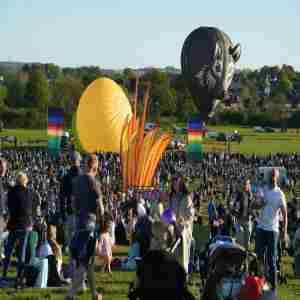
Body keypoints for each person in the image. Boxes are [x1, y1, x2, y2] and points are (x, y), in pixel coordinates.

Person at [66, 154, 103, 300]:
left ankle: (94, 294)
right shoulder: (93, 181)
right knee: (85, 262)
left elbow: (73, 204)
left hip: (79, 223)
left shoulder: (77, 181)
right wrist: (101, 221)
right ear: (94, 165)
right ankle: (70, 294)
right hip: (91, 224)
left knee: (89, 262)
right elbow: (100, 206)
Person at [252, 168, 288, 290]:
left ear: (277, 178)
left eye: (274, 175)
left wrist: (284, 231)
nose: (272, 177)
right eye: (270, 175)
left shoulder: (280, 194)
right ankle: (260, 283)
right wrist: (260, 204)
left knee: (272, 259)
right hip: (261, 228)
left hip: (273, 230)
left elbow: (285, 214)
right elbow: (254, 205)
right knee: (259, 257)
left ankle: (273, 286)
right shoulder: (263, 190)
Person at [3, 172, 33, 282]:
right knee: (22, 252)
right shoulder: (29, 192)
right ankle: (19, 276)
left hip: (13, 224)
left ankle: (4, 273)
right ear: (25, 180)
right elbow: (29, 207)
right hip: (25, 224)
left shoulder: (11, 192)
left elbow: (9, 206)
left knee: (9, 251)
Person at [169, 176, 194, 275]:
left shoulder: (187, 198)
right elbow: (168, 212)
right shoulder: (171, 198)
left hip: (184, 231)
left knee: (183, 257)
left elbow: (191, 215)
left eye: (177, 183)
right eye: (173, 183)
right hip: (174, 230)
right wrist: (171, 221)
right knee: (173, 256)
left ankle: (184, 276)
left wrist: (185, 222)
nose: (175, 185)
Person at [60, 151, 82, 253]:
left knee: (70, 236)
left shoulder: (66, 177)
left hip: (70, 210)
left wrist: (62, 212)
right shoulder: (82, 175)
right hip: (80, 210)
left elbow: (62, 196)